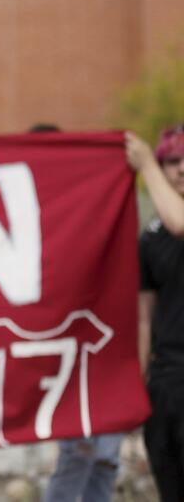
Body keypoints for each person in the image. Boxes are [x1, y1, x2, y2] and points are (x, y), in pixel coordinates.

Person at [38, 123, 124, 502]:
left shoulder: (89, 208)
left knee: (105, 456)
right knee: (79, 451)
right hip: (57, 354)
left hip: (101, 351)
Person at [126, 125, 184, 501]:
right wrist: (139, 378)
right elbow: (144, 315)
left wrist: (147, 163)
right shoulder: (150, 237)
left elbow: (180, 223)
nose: (181, 169)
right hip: (168, 380)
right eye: (172, 161)